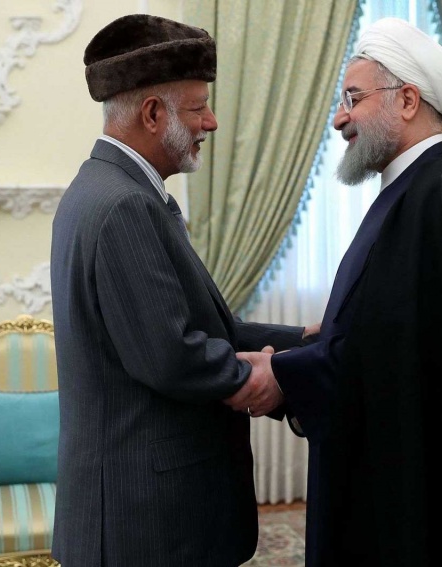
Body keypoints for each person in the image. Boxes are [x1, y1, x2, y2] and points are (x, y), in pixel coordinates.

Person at [235, 17, 442, 567]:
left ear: (407, 100)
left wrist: (282, 374)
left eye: (352, 99)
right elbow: (385, 328)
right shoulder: (414, 188)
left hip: (422, 491)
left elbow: (402, 359)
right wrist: (304, 349)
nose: (339, 118)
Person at [51, 14, 309, 567]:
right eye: (198, 108)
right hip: (147, 521)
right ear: (152, 113)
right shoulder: (124, 204)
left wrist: (302, 341)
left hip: (137, 510)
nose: (210, 122)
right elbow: (170, 355)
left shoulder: (111, 188)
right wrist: (273, 380)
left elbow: (198, 326)